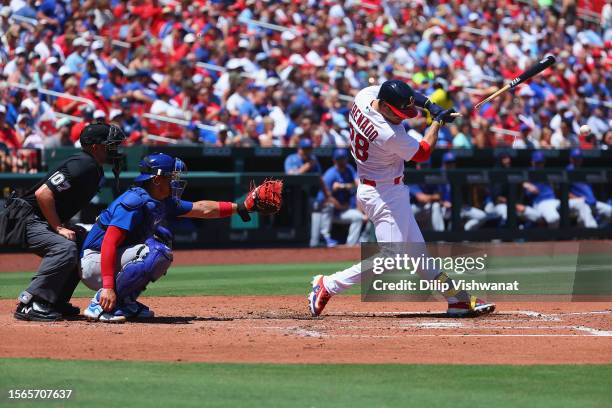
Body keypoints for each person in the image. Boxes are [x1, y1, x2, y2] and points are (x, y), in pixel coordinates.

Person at [308, 79, 495, 317]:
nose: (402, 118)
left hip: (385, 188)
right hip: (381, 193)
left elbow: (407, 95)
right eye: (398, 113)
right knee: (392, 256)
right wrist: (436, 122)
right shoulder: (388, 133)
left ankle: (457, 299)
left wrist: (430, 105)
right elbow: (424, 152)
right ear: (384, 106)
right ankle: (328, 284)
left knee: (418, 255)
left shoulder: (365, 96)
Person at [80, 153, 281, 322]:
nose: (175, 180)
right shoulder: (134, 202)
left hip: (109, 259)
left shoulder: (160, 199)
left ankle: (125, 302)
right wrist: (107, 286)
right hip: (94, 261)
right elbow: (108, 243)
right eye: (171, 176)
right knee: (155, 251)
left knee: (162, 246)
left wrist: (241, 208)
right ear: (157, 179)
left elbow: (202, 209)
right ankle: (101, 303)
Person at [6, 123, 126, 321]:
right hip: (22, 219)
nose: (114, 149)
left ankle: (53, 301)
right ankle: (30, 303)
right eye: (110, 145)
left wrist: (63, 225)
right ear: (96, 147)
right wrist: (58, 227)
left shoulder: (90, 166)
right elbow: (43, 194)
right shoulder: (83, 164)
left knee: (81, 242)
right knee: (64, 247)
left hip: (34, 219)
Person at [317, 148, 369, 246]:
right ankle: (325, 237)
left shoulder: (349, 169)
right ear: (334, 160)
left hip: (342, 211)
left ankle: (350, 246)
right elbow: (324, 198)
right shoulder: (330, 174)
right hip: (328, 212)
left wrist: (342, 186)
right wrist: (339, 204)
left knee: (358, 217)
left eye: (344, 158)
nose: (342, 161)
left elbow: (358, 185)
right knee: (329, 206)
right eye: (339, 159)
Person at [567, 148, 611, 227]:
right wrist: (577, 199)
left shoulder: (583, 171)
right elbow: (564, 192)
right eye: (575, 158)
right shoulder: (568, 171)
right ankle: (594, 233)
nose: (577, 161)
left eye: (579, 158)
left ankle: (599, 230)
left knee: (610, 211)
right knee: (592, 226)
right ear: (571, 159)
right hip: (581, 203)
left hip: (592, 202)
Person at [523, 151, 560, 228]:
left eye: (541, 162)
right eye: (537, 163)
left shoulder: (547, 173)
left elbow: (556, 189)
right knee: (554, 218)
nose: (539, 165)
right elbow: (527, 191)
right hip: (542, 203)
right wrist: (526, 185)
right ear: (532, 162)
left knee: (580, 204)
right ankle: (552, 238)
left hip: (555, 201)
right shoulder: (528, 173)